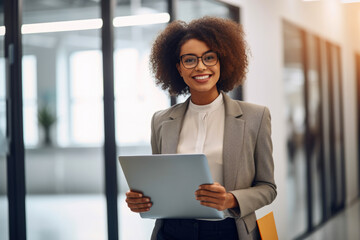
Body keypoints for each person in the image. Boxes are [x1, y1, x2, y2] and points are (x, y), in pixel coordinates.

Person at [125, 16, 277, 240]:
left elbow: (267, 188)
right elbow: (161, 184)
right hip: (173, 232)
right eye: (189, 60)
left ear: (221, 61)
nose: (200, 66)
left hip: (228, 231)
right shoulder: (161, 121)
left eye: (209, 58)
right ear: (178, 68)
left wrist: (231, 199)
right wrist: (142, 200)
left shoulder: (255, 117)